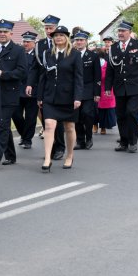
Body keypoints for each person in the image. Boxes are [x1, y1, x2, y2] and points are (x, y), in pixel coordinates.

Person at [37, 26, 83, 171]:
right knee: (49, 125)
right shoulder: (47, 54)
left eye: (61, 35)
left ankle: (69, 155)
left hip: (68, 97)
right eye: (55, 35)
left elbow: (78, 78)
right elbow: (43, 76)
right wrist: (39, 96)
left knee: (69, 127)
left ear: (67, 38)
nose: (58, 38)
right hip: (50, 96)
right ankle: (47, 158)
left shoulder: (74, 55)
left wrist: (78, 97)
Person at [105, 21, 138, 153]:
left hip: (135, 86)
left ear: (129, 32)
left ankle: (133, 142)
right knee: (120, 115)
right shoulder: (113, 47)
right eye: (119, 31)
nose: (120, 33)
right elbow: (110, 69)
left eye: (123, 31)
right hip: (119, 86)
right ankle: (123, 141)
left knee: (131, 113)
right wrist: (107, 87)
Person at [0, 20, 25, 168]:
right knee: (2, 125)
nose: (2, 34)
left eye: (5, 32)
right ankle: (11, 155)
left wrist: (4, 74)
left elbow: (22, 72)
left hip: (10, 93)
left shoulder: (18, 50)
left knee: (1, 124)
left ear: (11, 33)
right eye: (0, 31)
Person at [27, 15, 65, 161]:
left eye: (51, 28)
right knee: (46, 120)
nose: (49, 31)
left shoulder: (63, 44)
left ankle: (60, 147)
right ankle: (51, 147)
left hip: (60, 87)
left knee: (58, 120)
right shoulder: (40, 45)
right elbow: (35, 68)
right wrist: (30, 83)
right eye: (46, 28)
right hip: (44, 87)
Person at [73, 30, 101, 150]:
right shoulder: (71, 54)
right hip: (74, 90)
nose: (79, 42)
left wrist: (97, 93)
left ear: (86, 41)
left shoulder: (93, 56)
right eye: (77, 40)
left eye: (81, 40)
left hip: (88, 89)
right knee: (76, 116)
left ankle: (89, 137)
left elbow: (97, 76)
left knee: (87, 114)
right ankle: (80, 140)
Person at [14, 31, 39, 149]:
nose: (25, 44)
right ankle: (24, 134)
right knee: (16, 115)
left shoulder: (37, 55)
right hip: (18, 90)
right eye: (24, 41)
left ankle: (27, 139)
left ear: (34, 42)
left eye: (28, 42)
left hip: (32, 90)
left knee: (31, 117)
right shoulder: (19, 54)